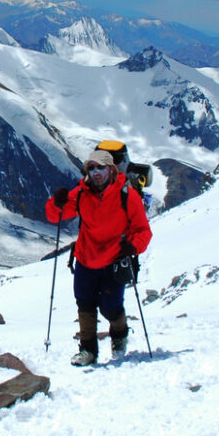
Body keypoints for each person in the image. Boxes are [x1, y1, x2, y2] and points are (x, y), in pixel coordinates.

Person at [46, 149, 153, 366]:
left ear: (111, 169)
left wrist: (133, 247)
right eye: (91, 168)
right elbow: (53, 215)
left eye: (100, 167)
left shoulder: (127, 195)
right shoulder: (82, 193)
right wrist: (56, 202)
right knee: (84, 305)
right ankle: (88, 351)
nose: (95, 172)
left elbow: (143, 230)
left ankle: (119, 334)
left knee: (110, 307)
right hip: (86, 258)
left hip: (113, 261)